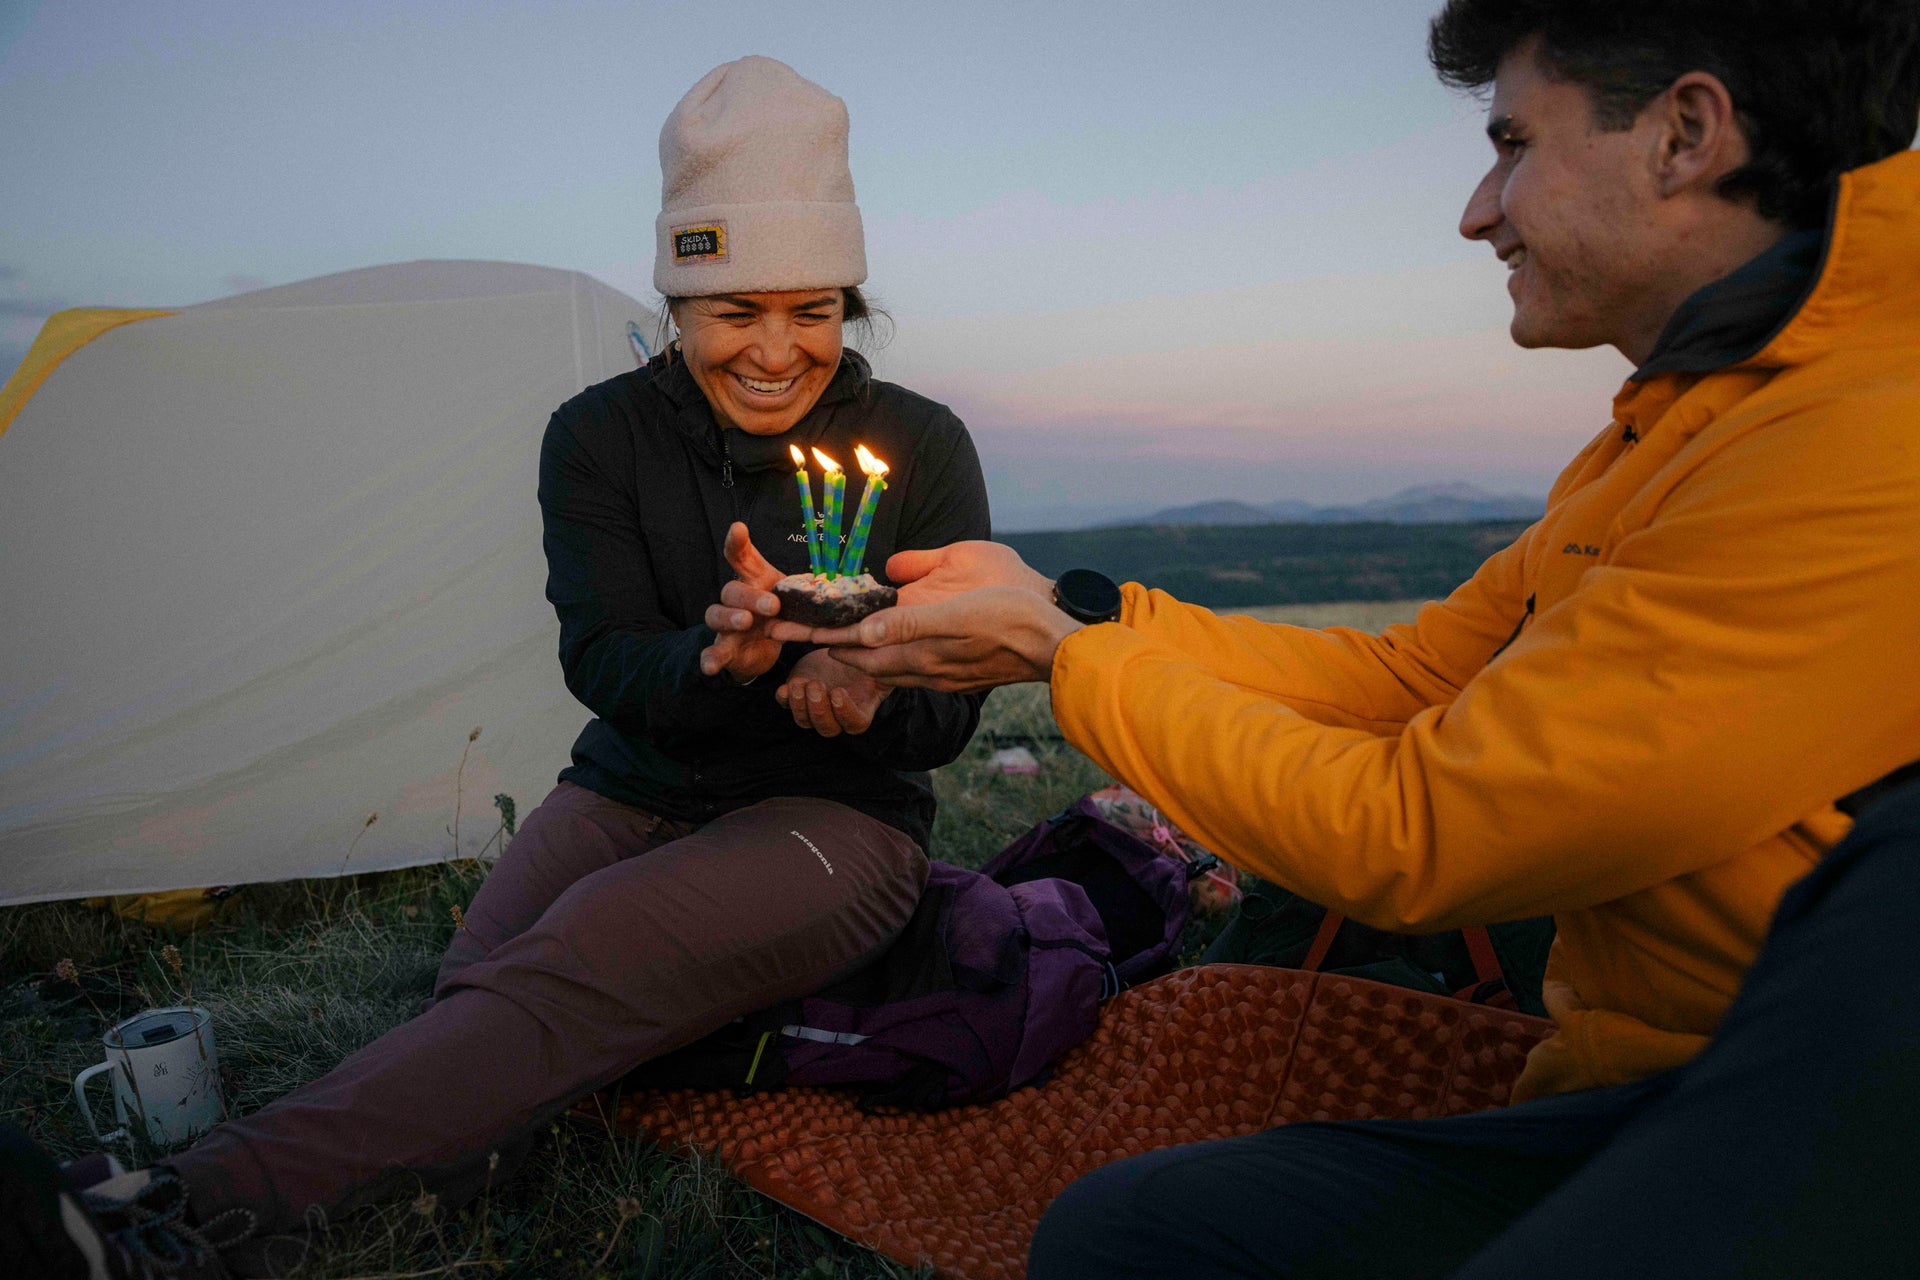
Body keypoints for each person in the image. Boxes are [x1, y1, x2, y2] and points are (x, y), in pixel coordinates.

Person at [745, 3, 1920, 1274]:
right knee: (1128, 1226)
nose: (1480, 208)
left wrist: (1068, 659)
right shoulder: (1673, 428)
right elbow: (1405, 679)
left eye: (1515, 143)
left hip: (1784, 1121)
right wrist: (1071, 617)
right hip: (1622, 1079)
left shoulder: (1859, 444)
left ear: (1687, 133)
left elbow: (1419, 830)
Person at [6, 56, 989, 1278]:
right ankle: (494, 1120)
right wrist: (716, 660)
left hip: (832, 818)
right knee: (484, 989)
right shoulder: (597, 436)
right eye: (736, 311)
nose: (778, 352)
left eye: (814, 310)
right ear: (676, 302)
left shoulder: (920, 444)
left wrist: (876, 696)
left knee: (571, 965)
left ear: (848, 301)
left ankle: (160, 1216)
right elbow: (602, 658)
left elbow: (954, 708)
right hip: (634, 781)